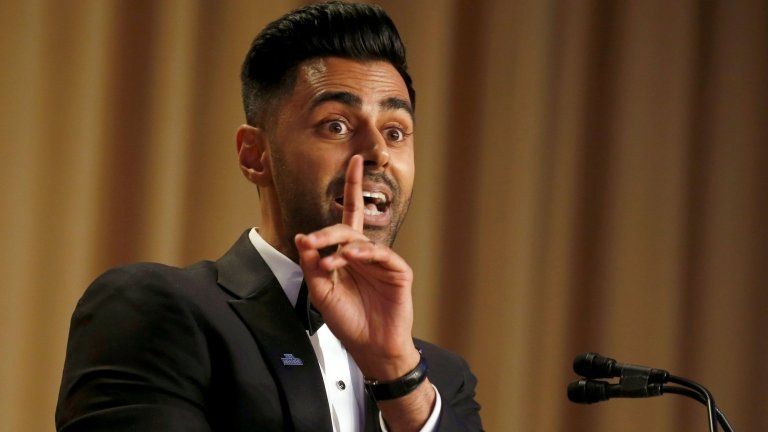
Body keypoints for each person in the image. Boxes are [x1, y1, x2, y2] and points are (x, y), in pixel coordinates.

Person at [56, 2, 482, 431]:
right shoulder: (157, 310)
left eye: (395, 131)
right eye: (335, 125)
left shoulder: (443, 382)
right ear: (255, 155)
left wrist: (397, 373)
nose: (378, 152)